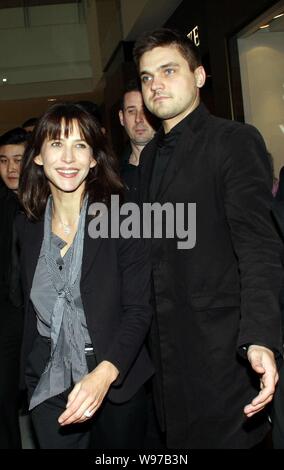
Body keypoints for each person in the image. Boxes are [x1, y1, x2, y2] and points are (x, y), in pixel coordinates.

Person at [133, 28, 283, 449]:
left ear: (199, 76)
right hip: (167, 353)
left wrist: (260, 338)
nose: (155, 84)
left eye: (168, 70)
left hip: (222, 350)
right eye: (146, 77)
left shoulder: (233, 141)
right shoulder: (147, 159)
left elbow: (259, 247)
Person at [16, 102, 153, 449]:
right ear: (38, 156)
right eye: (57, 144)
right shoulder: (27, 226)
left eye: (80, 145)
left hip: (114, 374)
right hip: (48, 376)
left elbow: (138, 310)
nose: (68, 157)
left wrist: (103, 374)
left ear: (93, 159)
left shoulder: (123, 217)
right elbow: (28, 310)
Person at [0, 127, 28, 448]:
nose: (10, 168)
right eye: (4, 160)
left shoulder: (51, 200)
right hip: (8, 313)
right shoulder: (3, 204)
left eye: (18, 160)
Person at [118, 80, 158, 203]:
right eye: (131, 111)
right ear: (121, 118)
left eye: (145, 111)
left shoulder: (178, 165)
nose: (138, 119)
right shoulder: (113, 175)